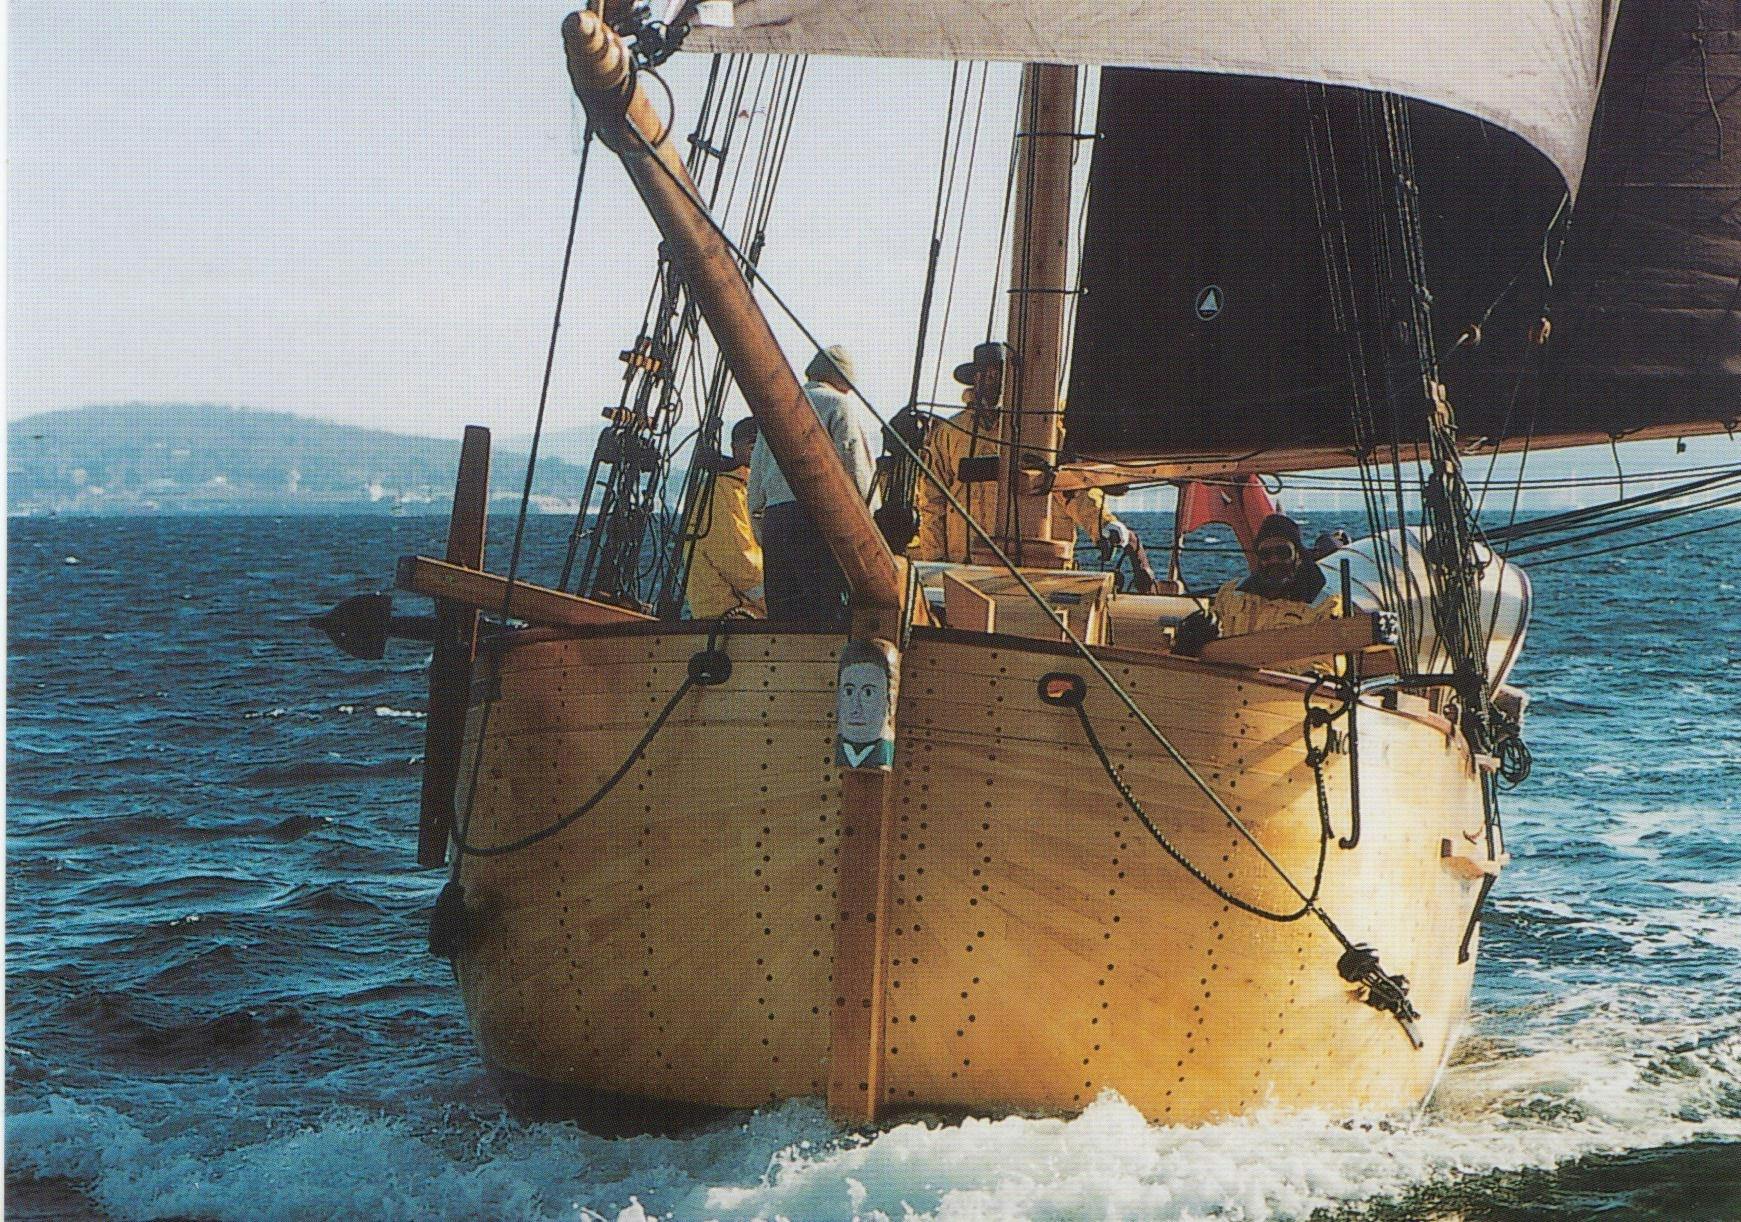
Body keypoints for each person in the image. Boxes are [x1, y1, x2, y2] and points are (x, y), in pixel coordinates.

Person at [748, 345, 877, 625]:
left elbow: (755, 481)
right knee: (828, 620)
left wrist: (763, 530)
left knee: (784, 623)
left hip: (776, 523)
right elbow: (856, 470)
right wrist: (871, 527)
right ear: (842, 379)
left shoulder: (776, 408)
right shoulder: (838, 405)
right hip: (818, 523)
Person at [1175, 513, 1341, 654]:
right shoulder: (1230, 594)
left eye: (1283, 553)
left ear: (1299, 556)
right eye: (1266, 554)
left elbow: (1328, 662)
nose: (1274, 560)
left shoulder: (1326, 606)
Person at [912, 342, 1009, 563]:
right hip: (962, 558)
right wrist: (934, 559)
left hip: (1015, 558)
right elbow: (931, 500)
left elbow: (1066, 488)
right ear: (975, 379)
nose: (993, 378)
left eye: (999, 372)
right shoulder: (950, 432)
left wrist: (1102, 525)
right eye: (986, 372)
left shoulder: (1032, 431)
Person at [683, 416, 764, 620]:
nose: (758, 453)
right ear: (733, 447)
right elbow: (740, 564)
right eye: (752, 444)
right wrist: (782, 606)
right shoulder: (721, 492)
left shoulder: (745, 489)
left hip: (745, 615)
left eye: (762, 447)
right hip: (729, 617)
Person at [1052, 486, 1159, 593]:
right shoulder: (1062, 488)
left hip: (1051, 577)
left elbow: (1081, 501)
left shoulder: (1058, 489)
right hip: (1054, 577)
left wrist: (1108, 527)